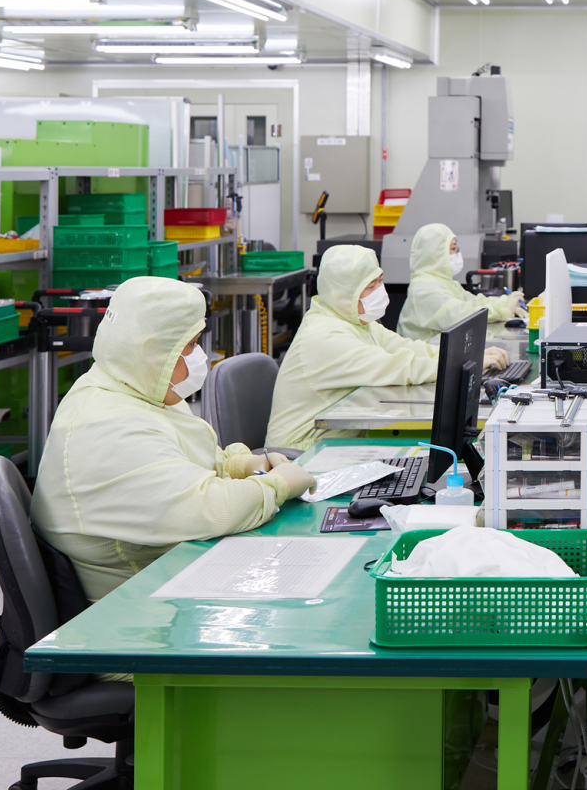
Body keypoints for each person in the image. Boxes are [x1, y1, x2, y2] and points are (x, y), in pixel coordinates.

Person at [30, 276, 316, 603]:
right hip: (138, 617)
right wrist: (276, 485)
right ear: (153, 350)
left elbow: (184, 460)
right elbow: (209, 509)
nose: (201, 357)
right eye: (192, 344)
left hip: (167, 577)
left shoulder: (128, 384)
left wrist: (244, 466)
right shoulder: (107, 425)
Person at [265, 245, 447, 453]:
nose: (380, 290)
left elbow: (405, 347)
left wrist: (455, 354)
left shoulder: (353, 321)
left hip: (338, 439)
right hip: (301, 454)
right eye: (370, 286)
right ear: (343, 293)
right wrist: (453, 365)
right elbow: (396, 367)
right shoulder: (324, 336)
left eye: (380, 281)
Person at [395, 222, 523, 343]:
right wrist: (504, 311)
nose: (457, 253)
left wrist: (505, 302)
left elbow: (474, 302)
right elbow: (463, 315)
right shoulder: (424, 289)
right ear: (435, 254)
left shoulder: (444, 282)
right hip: (425, 358)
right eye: (453, 248)